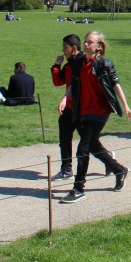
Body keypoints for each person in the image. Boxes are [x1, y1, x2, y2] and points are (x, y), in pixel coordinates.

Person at [60, 31, 131, 203]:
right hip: (82, 111)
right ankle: (119, 170)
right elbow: (72, 83)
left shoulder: (105, 64)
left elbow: (116, 85)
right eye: (85, 41)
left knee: (82, 149)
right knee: (93, 146)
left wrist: (126, 107)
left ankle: (78, 188)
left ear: (98, 47)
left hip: (100, 112)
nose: (85, 44)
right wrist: (65, 98)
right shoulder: (79, 62)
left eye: (89, 42)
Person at [50, 34, 81, 181]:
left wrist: (65, 98)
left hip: (81, 107)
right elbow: (58, 82)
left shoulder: (81, 63)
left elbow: (76, 85)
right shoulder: (68, 65)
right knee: (64, 138)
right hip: (68, 107)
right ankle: (66, 169)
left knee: (91, 143)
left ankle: (111, 162)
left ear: (74, 48)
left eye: (65, 47)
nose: (63, 50)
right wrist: (56, 66)